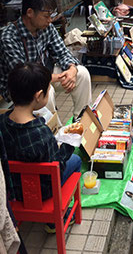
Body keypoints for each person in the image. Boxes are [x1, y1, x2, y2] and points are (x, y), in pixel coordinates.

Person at [0, 62, 82, 232]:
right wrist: (69, 143)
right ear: (38, 96)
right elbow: (58, 166)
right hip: (41, 191)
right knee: (75, 160)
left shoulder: (2, 123)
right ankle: (55, 220)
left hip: (12, 190)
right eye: (48, 90)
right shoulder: (41, 133)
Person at [0, 0, 92, 119]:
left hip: (46, 75)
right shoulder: (9, 37)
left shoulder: (46, 28)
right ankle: (53, 133)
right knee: (44, 93)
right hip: (19, 88)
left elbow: (62, 52)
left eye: (51, 15)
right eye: (46, 16)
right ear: (30, 13)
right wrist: (53, 78)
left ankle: (82, 121)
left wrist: (72, 69)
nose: (50, 20)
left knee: (82, 73)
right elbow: (23, 75)